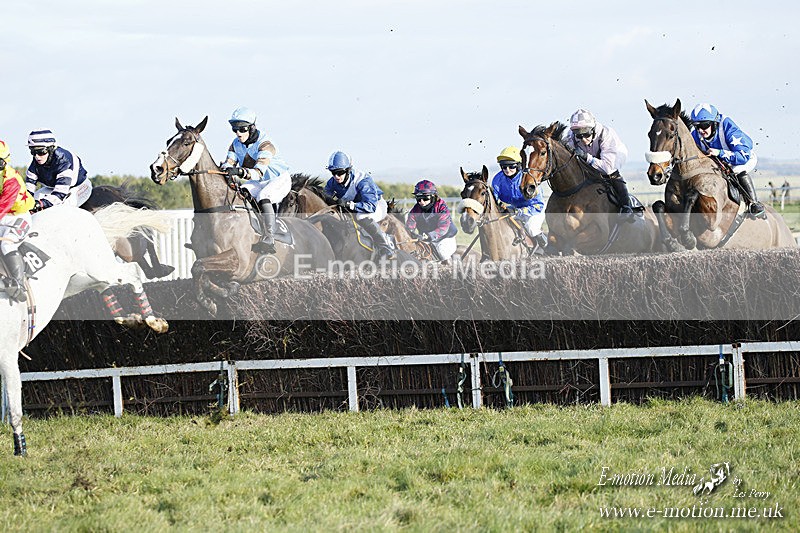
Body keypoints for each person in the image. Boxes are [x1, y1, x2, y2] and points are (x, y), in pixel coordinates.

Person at [221, 106, 291, 254]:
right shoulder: (235, 144)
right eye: (235, 129)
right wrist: (224, 168)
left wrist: (239, 171)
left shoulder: (265, 144)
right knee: (243, 192)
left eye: (242, 129)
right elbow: (229, 163)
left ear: (252, 128)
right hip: (259, 182)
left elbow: (258, 173)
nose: (238, 133)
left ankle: (270, 238)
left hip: (278, 180)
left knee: (263, 196)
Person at [690, 103, 764, 217]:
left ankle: (753, 203)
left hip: (742, 158)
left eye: (704, 125)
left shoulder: (728, 127)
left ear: (714, 123)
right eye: (696, 126)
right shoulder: (695, 134)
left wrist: (720, 152)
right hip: (718, 162)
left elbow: (743, 157)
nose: (700, 130)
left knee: (737, 169)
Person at [563, 109, 634, 221]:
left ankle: (626, 207)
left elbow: (607, 168)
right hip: (591, 156)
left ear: (593, 129)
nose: (583, 139)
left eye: (586, 134)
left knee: (611, 174)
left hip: (611, 158)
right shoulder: (570, 136)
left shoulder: (606, 134)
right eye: (579, 136)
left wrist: (586, 157)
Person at [323, 151, 396, 259]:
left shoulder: (362, 181)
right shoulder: (332, 183)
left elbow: (370, 206)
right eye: (333, 172)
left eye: (339, 172)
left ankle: (385, 247)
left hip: (375, 206)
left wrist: (350, 205)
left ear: (348, 170)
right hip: (354, 208)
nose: (336, 176)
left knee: (361, 216)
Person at [491, 146, 547, 248]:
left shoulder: (528, 178)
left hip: (535, 209)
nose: (507, 170)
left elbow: (538, 204)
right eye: (504, 167)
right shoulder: (498, 179)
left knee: (531, 228)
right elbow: (494, 199)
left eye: (511, 166)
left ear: (519, 166)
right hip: (515, 209)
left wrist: (519, 212)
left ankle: (547, 248)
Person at [0, 140, 35, 302]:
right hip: (3, 217)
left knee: (7, 244)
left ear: (5, 161)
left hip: (18, 218)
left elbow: (3, 206)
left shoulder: (11, 180)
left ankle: (18, 284)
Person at [25, 129, 93, 212]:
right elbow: (28, 193)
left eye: (41, 152)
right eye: (33, 152)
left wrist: (41, 204)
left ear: (51, 149)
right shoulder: (34, 165)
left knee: (62, 210)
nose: (37, 157)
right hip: (52, 188)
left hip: (79, 187)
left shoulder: (64, 160)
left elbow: (59, 194)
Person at [405, 179, 458, 262]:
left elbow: (443, 228)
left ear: (433, 196)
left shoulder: (441, 206)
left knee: (442, 251)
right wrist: (409, 234)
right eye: (418, 198)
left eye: (425, 198)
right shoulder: (415, 210)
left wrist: (429, 235)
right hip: (426, 239)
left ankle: (451, 269)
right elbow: (409, 226)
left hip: (445, 238)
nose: (421, 202)